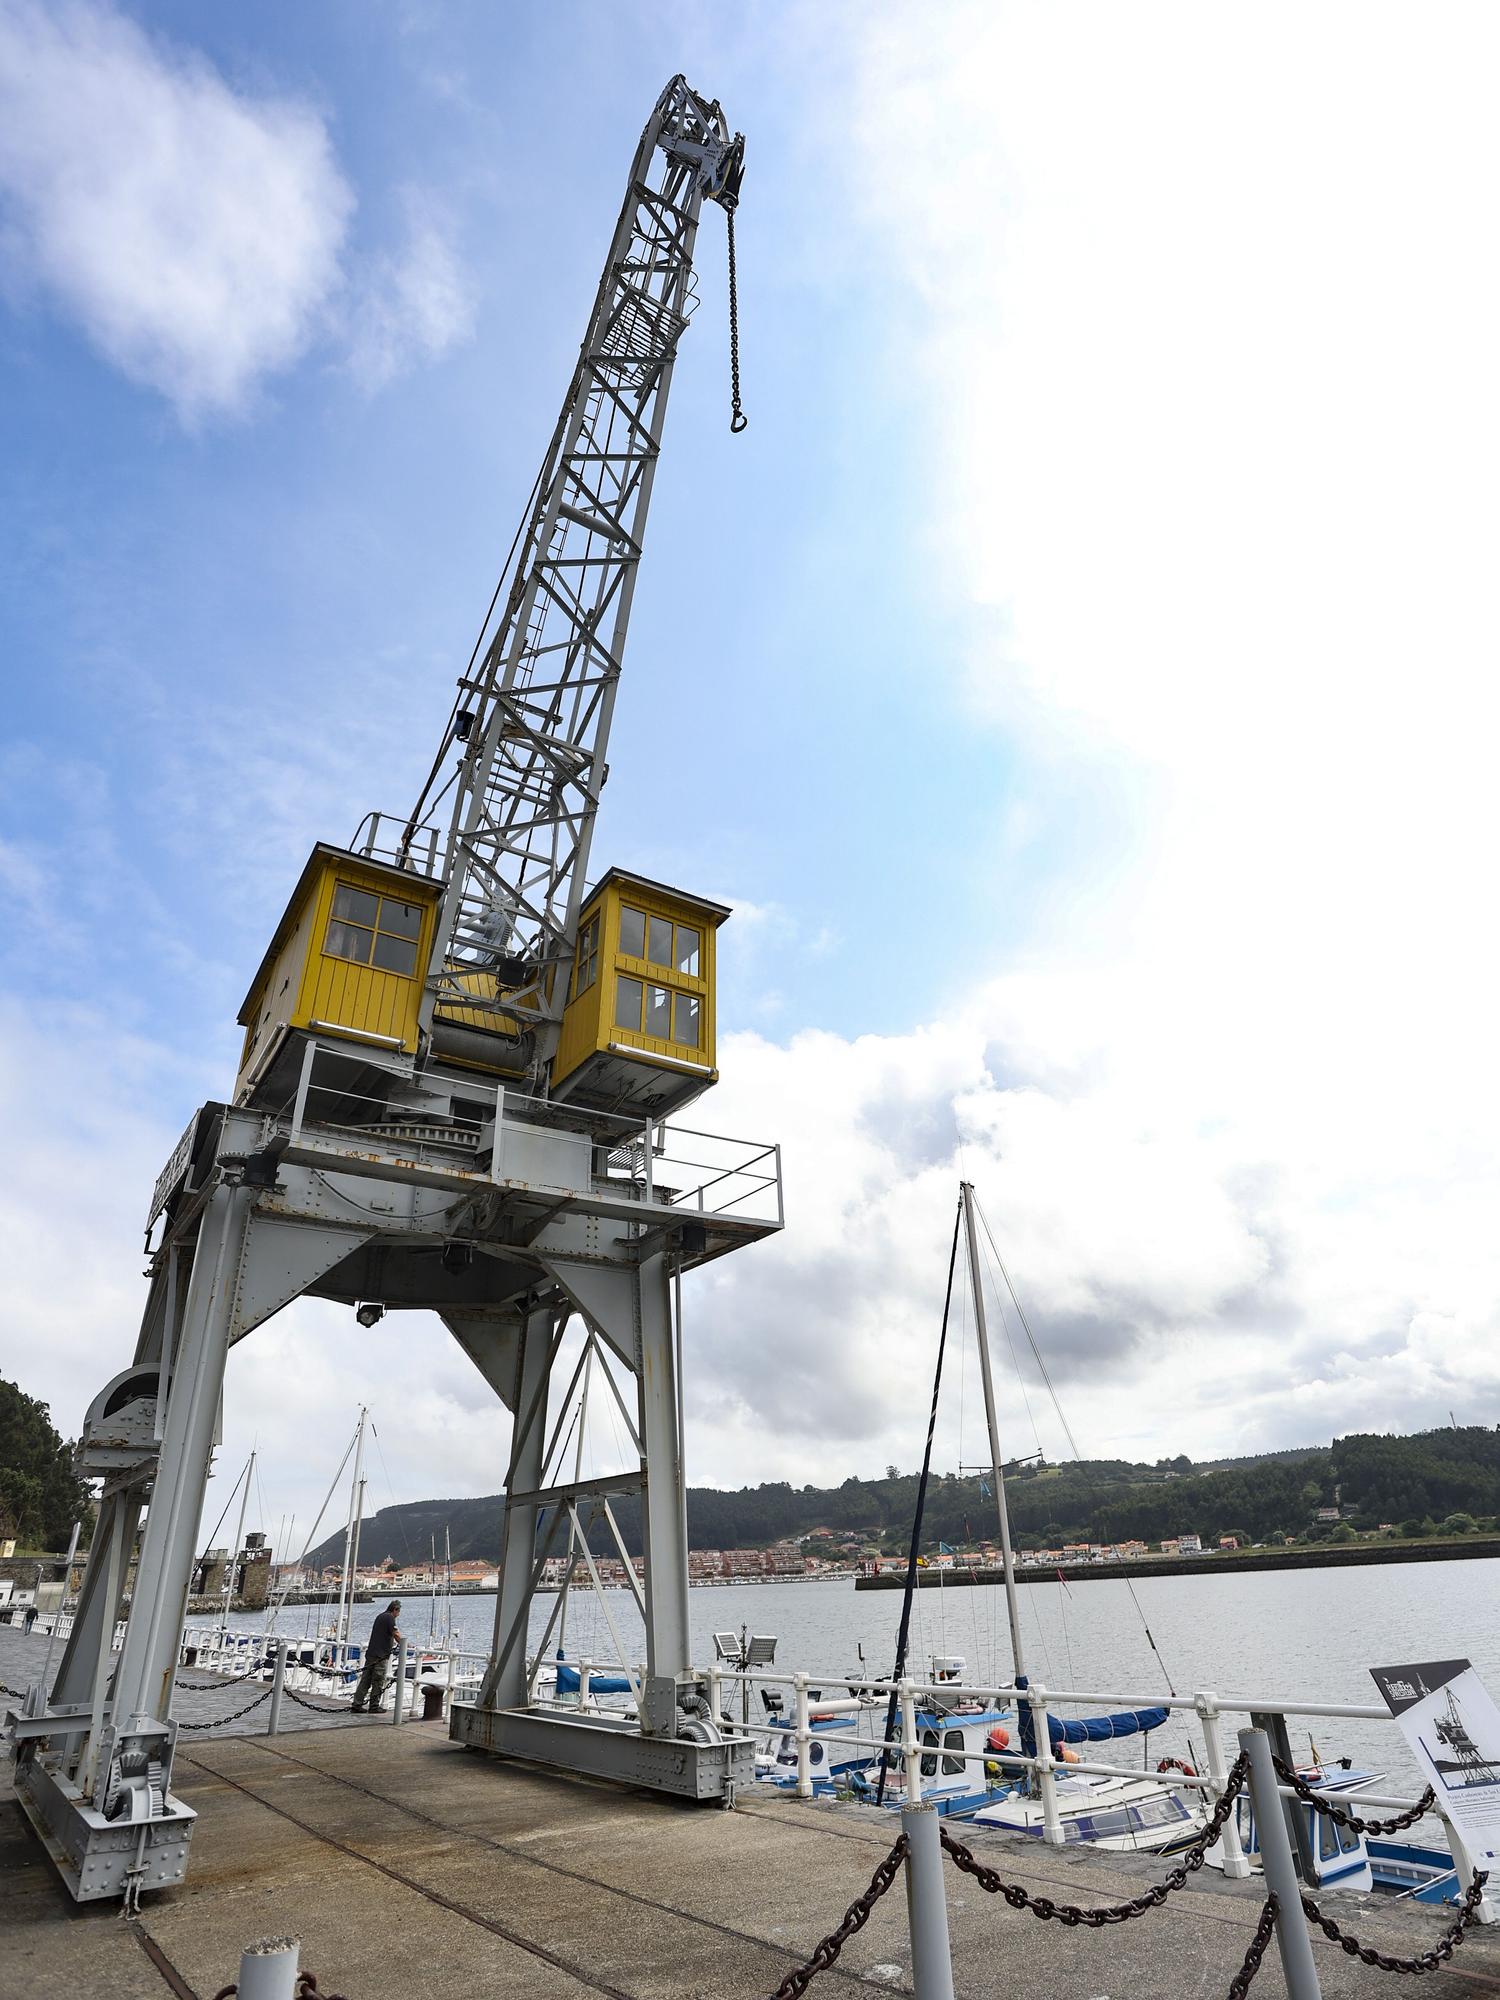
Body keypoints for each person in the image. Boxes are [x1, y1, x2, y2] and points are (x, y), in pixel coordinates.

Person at [351, 1600, 402, 1713]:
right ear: (395, 1609)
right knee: (378, 1680)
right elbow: (396, 1634)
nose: (398, 1615)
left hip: (371, 1653)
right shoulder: (390, 1618)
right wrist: (404, 1644)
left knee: (365, 1680)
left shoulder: (380, 1616)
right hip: (380, 1655)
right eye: (398, 1612)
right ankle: (374, 1706)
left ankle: (357, 1704)